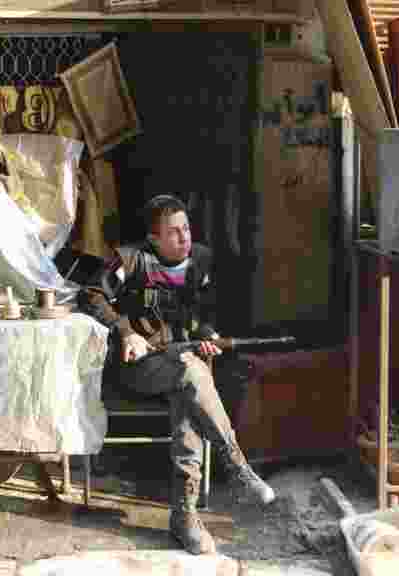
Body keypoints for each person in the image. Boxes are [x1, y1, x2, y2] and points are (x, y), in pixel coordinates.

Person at [81, 194, 276, 555]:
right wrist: (125, 331)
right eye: (173, 232)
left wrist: (208, 337)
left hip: (183, 366)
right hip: (137, 368)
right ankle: (236, 467)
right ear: (154, 238)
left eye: (186, 228)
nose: (184, 237)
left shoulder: (201, 261)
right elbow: (91, 295)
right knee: (192, 377)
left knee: (189, 389)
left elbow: (201, 317)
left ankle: (185, 516)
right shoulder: (131, 260)